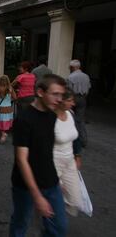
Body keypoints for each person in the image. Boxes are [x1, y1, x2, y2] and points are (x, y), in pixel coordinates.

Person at [10, 74, 67, 237]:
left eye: (61, 95)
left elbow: (47, 150)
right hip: (25, 186)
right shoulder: (24, 119)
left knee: (59, 228)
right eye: (55, 94)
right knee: (21, 222)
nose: (59, 99)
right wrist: (37, 195)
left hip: (51, 182)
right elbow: (22, 159)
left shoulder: (52, 115)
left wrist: (57, 178)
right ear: (40, 92)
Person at [53, 88, 82, 217]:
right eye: (70, 100)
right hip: (53, 162)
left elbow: (76, 137)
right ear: (60, 101)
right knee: (54, 198)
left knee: (74, 199)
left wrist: (77, 155)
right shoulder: (50, 117)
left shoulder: (71, 114)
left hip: (69, 161)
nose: (73, 104)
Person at [67, 59, 91, 148]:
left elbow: (69, 91)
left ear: (72, 67)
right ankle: (83, 140)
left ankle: (72, 139)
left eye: (69, 67)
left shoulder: (70, 77)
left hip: (73, 98)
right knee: (80, 120)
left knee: (70, 118)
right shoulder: (86, 76)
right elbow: (88, 88)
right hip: (83, 98)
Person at [0, 75, 17, 143]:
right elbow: (15, 97)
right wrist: (9, 99)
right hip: (9, 108)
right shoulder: (11, 89)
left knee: (0, 122)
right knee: (4, 122)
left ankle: (3, 135)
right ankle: (2, 134)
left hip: (1, 108)